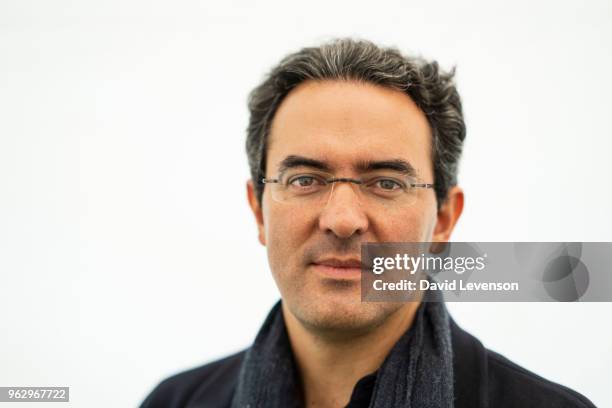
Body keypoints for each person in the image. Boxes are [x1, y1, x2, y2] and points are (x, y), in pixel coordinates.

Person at [140, 38, 596, 408]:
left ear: (443, 220)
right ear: (258, 210)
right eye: (304, 179)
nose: (342, 220)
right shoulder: (175, 402)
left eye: (386, 183)